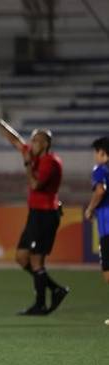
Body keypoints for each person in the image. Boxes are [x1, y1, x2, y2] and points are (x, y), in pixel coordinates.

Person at [0, 106, 69, 315]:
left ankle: (40, 304)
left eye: (37, 141)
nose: (32, 144)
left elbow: (36, 184)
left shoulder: (51, 162)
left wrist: (28, 164)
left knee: (36, 260)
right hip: (35, 214)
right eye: (32, 140)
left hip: (46, 214)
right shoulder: (34, 155)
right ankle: (55, 289)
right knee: (22, 257)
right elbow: (15, 140)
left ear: (46, 144)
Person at [84, 136, 109, 326]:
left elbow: (100, 191)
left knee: (107, 270)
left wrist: (90, 208)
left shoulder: (100, 170)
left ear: (103, 153)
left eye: (97, 152)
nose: (95, 156)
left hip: (107, 225)